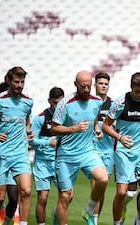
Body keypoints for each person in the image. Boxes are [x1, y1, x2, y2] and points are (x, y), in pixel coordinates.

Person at [51, 70, 109, 225]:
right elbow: (54, 128)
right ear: (75, 84)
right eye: (83, 86)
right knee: (66, 196)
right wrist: (73, 129)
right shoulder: (65, 104)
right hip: (66, 155)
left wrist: (96, 128)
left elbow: (94, 118)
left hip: (87, 151)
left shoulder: (97, 101)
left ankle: (88, 210)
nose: (86, 90)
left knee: (103, 178)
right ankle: (58, 217)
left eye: (89, 86)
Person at [102, 72, 140, 225]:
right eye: (137, 91)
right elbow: (106, 126)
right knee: (121, 192)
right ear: (131, 86)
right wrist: (120, 138)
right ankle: (117, 222)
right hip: (124, 152)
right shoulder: (120, 102)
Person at [0, 66, 34, 225]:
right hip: (1, 154)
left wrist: (28, 132)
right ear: (8, 81)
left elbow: (26, 122)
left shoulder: (28, 102)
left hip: (20, 155)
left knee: (25, 191)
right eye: (16, 82)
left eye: (22, 82)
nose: (20, 85)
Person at [29, 87, 64, 225]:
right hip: (43, 163)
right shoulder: (41, 118)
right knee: (42, 198)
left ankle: (57, 213)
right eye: (55, 103)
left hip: (61, 162)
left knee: (67, 196)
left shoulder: (66, 118)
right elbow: (31, 140)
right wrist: (48, 142)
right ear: (49, 101)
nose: (57, 106)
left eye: (60, 103)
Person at [91, 72, 114, 224]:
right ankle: (92, 220)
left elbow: (117, 124)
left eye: (106, 84)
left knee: (102, 189)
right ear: (95, 85)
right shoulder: (90, 103)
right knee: (95, 186)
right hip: (92, 150)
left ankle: (95, 218)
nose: (103, 86)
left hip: (108, 151)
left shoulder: (113, 104)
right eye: (100, 83)